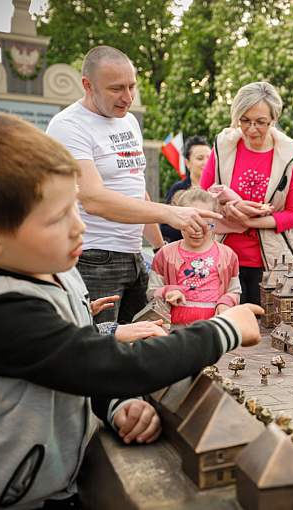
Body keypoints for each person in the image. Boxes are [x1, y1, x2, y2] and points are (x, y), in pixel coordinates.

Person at [0, 110, 263, 509]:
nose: (79, 226)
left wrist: (115, 405)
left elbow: (72, 368)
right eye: (58, 217)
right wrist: (224, 330)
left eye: (76, 208)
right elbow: (107, 365)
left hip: (52, 486)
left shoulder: (53, 271)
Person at [47, 45, 218, 324]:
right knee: (101, 343)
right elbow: (93, 199)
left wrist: (160, 248)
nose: (127, 97)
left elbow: (137, 190)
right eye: (116, 88)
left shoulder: (128, 122)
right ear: (88, 85)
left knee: (144, 338)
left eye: (132, 86)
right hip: (92, 257)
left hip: (134, 255)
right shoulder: (67, 126)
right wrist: (170, 212)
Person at [200, 81, 293, 306]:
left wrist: (250, 222)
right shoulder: (224, 146)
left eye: (260, 122)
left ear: (274, 119)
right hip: (224, 259)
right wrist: (230, 208)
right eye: (245, 120)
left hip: (270, 264)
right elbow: (202, 198)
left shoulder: (289, 155)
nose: (251, 129)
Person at [151, 188, 241, 326]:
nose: (197, 230)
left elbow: (234, 290)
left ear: (214, 221)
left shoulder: (227, 256)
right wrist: (168, 292)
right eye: (191, 224)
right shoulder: (165, 254)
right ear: (179, 221)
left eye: (205, 225)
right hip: (175, 328)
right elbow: (152, 291)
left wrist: (225, 303)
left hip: (213, 327)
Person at [160, 135, 212, 243]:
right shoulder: (178, 189)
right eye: (200, 158)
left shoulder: (218, 189)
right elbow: (165, 226)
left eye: (209, 158)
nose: (206, 162)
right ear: (187, 163)